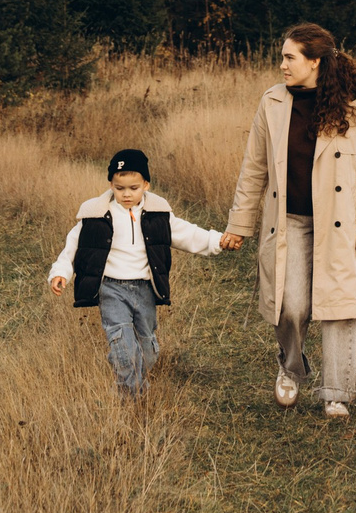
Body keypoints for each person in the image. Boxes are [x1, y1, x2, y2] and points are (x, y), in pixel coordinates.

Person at [219, 23, 356, 418]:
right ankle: (292, 369)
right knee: (290, 305)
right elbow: (254, 169)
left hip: (340, 224)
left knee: (339, 307)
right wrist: (239, 225)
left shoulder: (354, 108)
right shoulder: (272, 103)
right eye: (282, 57)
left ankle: (336, 393)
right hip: (289, 220)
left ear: (314, 62)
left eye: (290, 57)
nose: (282, 65)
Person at [46, 149, 229, 397]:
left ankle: (134, 377)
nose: (127, 194)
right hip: (111, 288)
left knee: (148, 350)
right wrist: (61, 273)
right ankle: (129, 399)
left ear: (146, 184)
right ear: (111, 185)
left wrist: (219, 241)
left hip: (144, 289)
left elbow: (188, 234)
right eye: (120, 188)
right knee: (123, 345)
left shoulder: (158, 214)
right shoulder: (96, 215)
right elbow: (73, 247)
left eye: (133, 188)